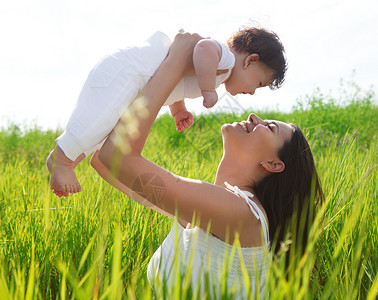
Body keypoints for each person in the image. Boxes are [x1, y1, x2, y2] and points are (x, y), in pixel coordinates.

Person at [91, 31, 324, 298]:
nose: (254, 116)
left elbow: (117, 159)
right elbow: (103, 161)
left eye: (269, 127)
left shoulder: (239, 213)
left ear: (272, 163)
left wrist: (176, 62)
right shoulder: (205, 215)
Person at [46, 25, 287, 197]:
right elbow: (202, 48)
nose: (254, 92)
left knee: (102, 131)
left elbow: (178, 78)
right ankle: (62, 160)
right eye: (259, 83)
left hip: (135, 82)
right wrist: (207, 90)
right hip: (128, 72)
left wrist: (178, 109)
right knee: (99, 120)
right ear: (250, 61)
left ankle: (68, 161)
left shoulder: (218, 71)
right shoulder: (224, 59)